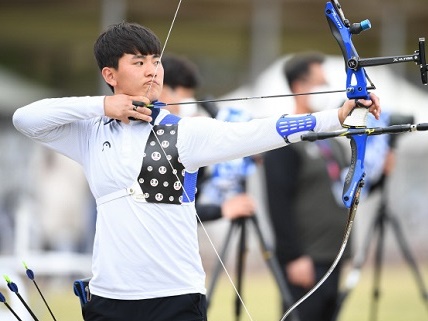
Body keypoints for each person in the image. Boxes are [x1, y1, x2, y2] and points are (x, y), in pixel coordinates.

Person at [12, 22, 380, 321]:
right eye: (138, 63)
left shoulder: (184, 131)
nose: (153, 71)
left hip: (175, 297)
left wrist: (338, 115)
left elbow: (257, 132)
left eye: (155, 61)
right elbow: (25, 119)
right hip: (109, 298)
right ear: (110, 73)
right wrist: (104, 105)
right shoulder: (90, 135)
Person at [263, 52, 382, 321]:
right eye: (320, 82)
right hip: (306, 260)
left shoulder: (333, 141)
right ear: (299, 87)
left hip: (333, 256)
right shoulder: (287, 139)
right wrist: (293, 257)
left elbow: (349, 187)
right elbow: (277, 203)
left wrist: (381, 172)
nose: (328, 88)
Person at [159, 53, 256, 222]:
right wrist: (222, 210)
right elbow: (170, 210)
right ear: (164, 92)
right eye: (185, 98)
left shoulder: (187, 138)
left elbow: (192, 194)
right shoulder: (151, 140)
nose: (188, 105)